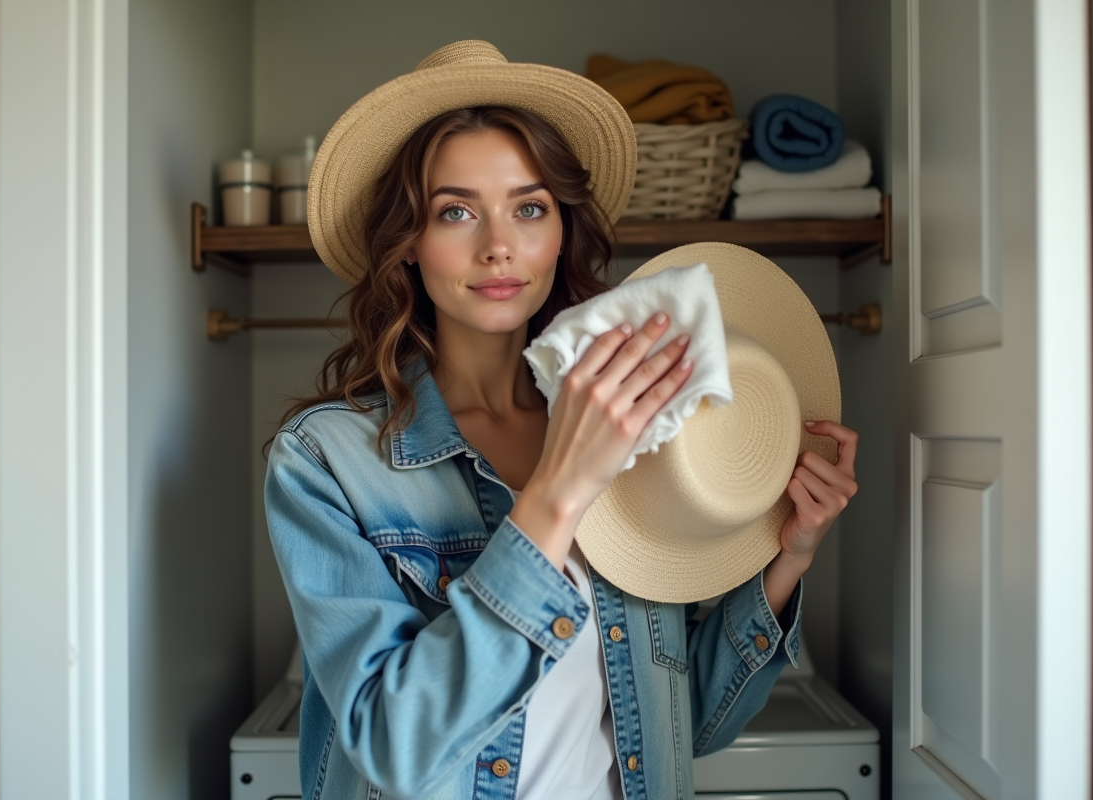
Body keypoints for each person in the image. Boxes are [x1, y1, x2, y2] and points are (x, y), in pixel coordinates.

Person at [265, 41, 859, 800]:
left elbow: (692, 727)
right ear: (408, 241)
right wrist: (559, 491)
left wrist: (790, 557)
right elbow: (396, 747)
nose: (499, 246)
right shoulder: (327, 460)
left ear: (560, 229)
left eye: (530, 207)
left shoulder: (635, 424)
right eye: (456, 211)